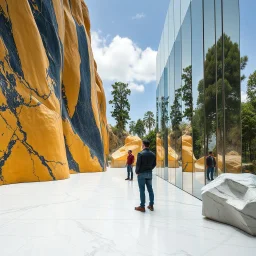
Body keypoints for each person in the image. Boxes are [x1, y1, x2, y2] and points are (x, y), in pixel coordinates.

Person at [134, 140, 156, 212]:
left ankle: (142, 206)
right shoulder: (153, 154)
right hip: (149, 173)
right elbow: (154, 164)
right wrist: (150, 169)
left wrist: (137, 172)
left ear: (143, 145)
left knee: (142, 190)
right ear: (148, 145)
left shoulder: (140, 154)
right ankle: (151, 205)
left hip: (141, 174)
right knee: (150, 189)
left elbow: (138, 164)